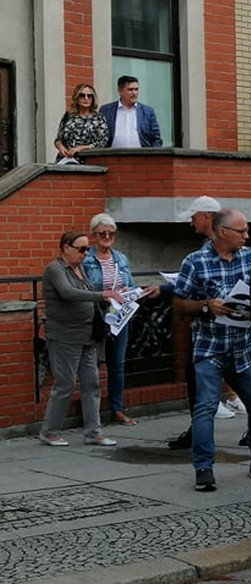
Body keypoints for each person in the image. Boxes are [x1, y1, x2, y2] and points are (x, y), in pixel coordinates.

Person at [172, 209, 251, 491]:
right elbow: (179, 304)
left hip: (245, 346)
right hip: (210, 347)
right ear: (222, 232)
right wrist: (206, 306)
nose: (246, 236)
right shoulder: (195, 261)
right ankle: (203, 467)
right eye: (241, 231)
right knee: (204, 408)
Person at [38, 231, 124, 447]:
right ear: (66, 247)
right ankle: (49, 431)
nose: (86, 253)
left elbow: (88, 292)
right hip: (65, 336)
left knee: (91, 383)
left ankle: (93, 432)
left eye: (87, 249)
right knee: (65, 383)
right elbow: (68, 293)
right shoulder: (55, 269)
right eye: (81, 249)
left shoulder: (80, 268)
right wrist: (102, 294)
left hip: (87, 335)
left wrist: (110, 297)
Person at [165, 195, 222, 450]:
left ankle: (199, 436)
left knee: (200, 382)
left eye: (194, 216)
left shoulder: (213, 250)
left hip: (212, 330)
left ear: (207, 217)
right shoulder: (211, 247)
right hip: (210, 326)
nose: (191, 222)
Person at [82, 213, 145, 426]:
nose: (107, 236)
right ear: (94, 235)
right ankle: (91, 412)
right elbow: (84, 288)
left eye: (111, 233)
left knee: (117, 364)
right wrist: (106, 293)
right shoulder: (86, 260)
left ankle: (116, 409)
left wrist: (128, 289)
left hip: (119, 317)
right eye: (102, 233)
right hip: (95, 317)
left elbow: (131, 283)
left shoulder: (121, 258)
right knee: (92, 365)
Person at [99, 75, 163, 148]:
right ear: (120, 91)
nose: (134, 93)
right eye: (130, 89)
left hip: (141, 157)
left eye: (136, 89)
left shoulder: (147, 112)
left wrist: (154, 156)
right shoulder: (106, 111)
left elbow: (156, 138)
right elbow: (100, 137)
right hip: (113, 157)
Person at [53, 83, 109, 163]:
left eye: (89, 96)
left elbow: (102, 142)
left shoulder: (98, 118)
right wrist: (61, 147)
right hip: (66, 159)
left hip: (88, 160)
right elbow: (58, 139)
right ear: (77, 97)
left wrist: (80, 148)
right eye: (82, 95)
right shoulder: (68, 116)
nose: (86, 98)